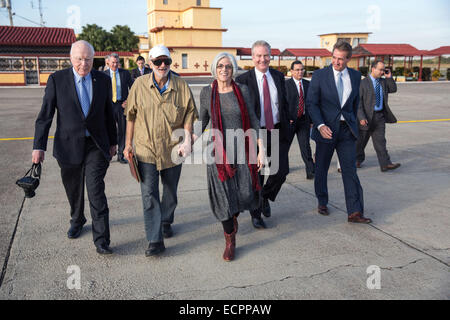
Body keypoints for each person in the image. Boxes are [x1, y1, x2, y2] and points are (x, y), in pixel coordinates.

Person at [32, 40, 118, 254]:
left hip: (96, 145)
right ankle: (77, 219)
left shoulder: (103, 80)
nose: (83, 63)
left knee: (96, 190)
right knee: (73, 188)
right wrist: (38, 147)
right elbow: (45, 116)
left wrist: (114, 141)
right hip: (68, 145)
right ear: (71, 59)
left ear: (93, 59)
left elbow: (110, 113)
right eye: (79, 59)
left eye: (88, 59)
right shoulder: (57, 80)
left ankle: (102, 240)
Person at [123, 45, 198, 257]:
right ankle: (155, 240)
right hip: (146, 150)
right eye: (158, 62)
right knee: (149, 195)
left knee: (171, 192)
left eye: (166, 61)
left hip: (173, 150)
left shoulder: (181, 86)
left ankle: (166, 219)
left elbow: (190, 115)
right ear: (150, 64)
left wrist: (187, 141)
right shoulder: (138, 85)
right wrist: (128, 145)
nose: (162, 65)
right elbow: (131, 115)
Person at [197, 52, 264, 261]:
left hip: (242, 150)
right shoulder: (207, 93)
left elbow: (253, 120)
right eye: (220, 66)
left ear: (232, 69)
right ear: (214, 69)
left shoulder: (242, 90)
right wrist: (188, 140)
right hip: (218, 153)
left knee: (244, 194)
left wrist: (261, 150)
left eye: (227, 66)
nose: (224, 70)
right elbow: (202, 121)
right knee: (224, 199)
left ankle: (233, 218)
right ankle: (230, 241)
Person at [306, 40, 372, 224]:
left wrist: (354, 121)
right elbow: (312, 103)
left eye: (341, 59)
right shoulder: (320, 76)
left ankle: (355, 211)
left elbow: (354, 102)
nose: (336, 62)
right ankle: (322, 201)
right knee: (321, 169)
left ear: (348, 59)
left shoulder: (355, 76)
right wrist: (319, 125)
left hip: (346, 132)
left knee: (350, 170)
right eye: (334, 58)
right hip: (325, 130)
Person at [235, 40, 290, 229]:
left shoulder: (278, 77)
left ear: (270, 56)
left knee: (281, 172)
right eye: (258, 55)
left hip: (276, 130)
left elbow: (282, 103)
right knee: (257, 176)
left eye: (266, 55)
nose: (262, 59)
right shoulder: (243, 81)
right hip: (255, 134)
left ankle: (265, 197)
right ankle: (256, 214)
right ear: (252, 58)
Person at [356, 61, 400, 172]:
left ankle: (385, 164)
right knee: (360, 142)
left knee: (380, 141)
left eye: (383, 70)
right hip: (366, 117)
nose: (382, 72)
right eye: (380, 70)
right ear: (373, 69)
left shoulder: (384, 82)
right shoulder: (363, 83)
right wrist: (361, 117)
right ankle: (356, 160)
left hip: (379, 116)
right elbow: (358, 102)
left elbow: (393, 89)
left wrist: (389, 77)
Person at [285, 60, 315, 180]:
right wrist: (286, 118)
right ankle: (284, 169)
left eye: (302, 69)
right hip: (290, 121)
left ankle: (310, 171)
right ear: (291, 71)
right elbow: (282, 104)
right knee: (285, 146)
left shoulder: (308, 85)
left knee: (305, 146)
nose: (300, 72)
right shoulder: (285, 85)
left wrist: (312, 120)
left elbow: (312, 103)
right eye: (297, 70)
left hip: (304, 121)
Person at [105, 53, 133, 164]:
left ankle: (121, 155)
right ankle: (109, 153)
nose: (115, 64)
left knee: (122, 131)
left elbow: (133, 87)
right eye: (113, 62)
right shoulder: (103, 74)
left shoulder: (125, 73)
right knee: (107, 130)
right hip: (108, 106)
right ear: (108, 62)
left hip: (121, 105)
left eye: (117, 62)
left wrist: (129, 101)